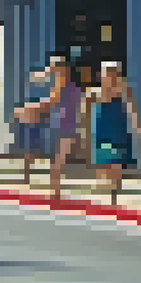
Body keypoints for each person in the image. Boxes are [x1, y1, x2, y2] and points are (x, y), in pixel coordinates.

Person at [87, 61, 141, 206]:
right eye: (108, 74)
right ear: (102, 76)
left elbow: (133, 113)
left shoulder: (125, 92)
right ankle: (110, 193)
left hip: (118, 132)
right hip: (102, 134)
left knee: (116, 166)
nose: (111, 77)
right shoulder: (94, 92)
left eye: (114, 73)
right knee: (106, 167)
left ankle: (114, 197)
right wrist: (82, 132)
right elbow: (85, 113)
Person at [46, 56, 83, 202]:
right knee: (56, 161)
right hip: (59, 126)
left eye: (56, 69)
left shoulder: (67, 87)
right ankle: (55, 190)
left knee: (58, 161)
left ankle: (55, 191)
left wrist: (32, 108)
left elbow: (52, 102)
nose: (55, 72)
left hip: (65, 127)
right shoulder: (65, 87)